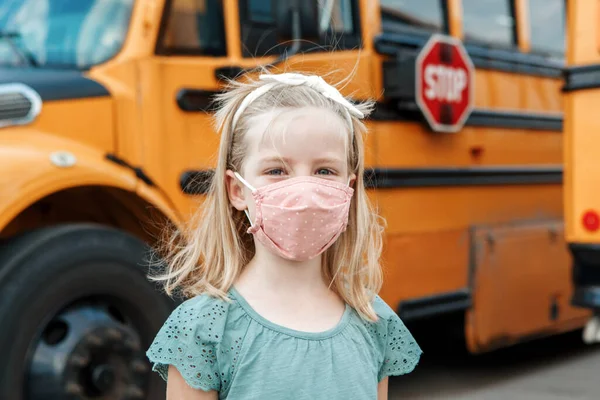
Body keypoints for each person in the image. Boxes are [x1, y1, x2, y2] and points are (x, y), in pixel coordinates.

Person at [146, 71, 422, 399]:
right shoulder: (204, 329)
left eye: (325, 171)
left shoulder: (373, 320)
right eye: (276, 171)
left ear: (348, 189)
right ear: (237, 190)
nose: (303, 190)